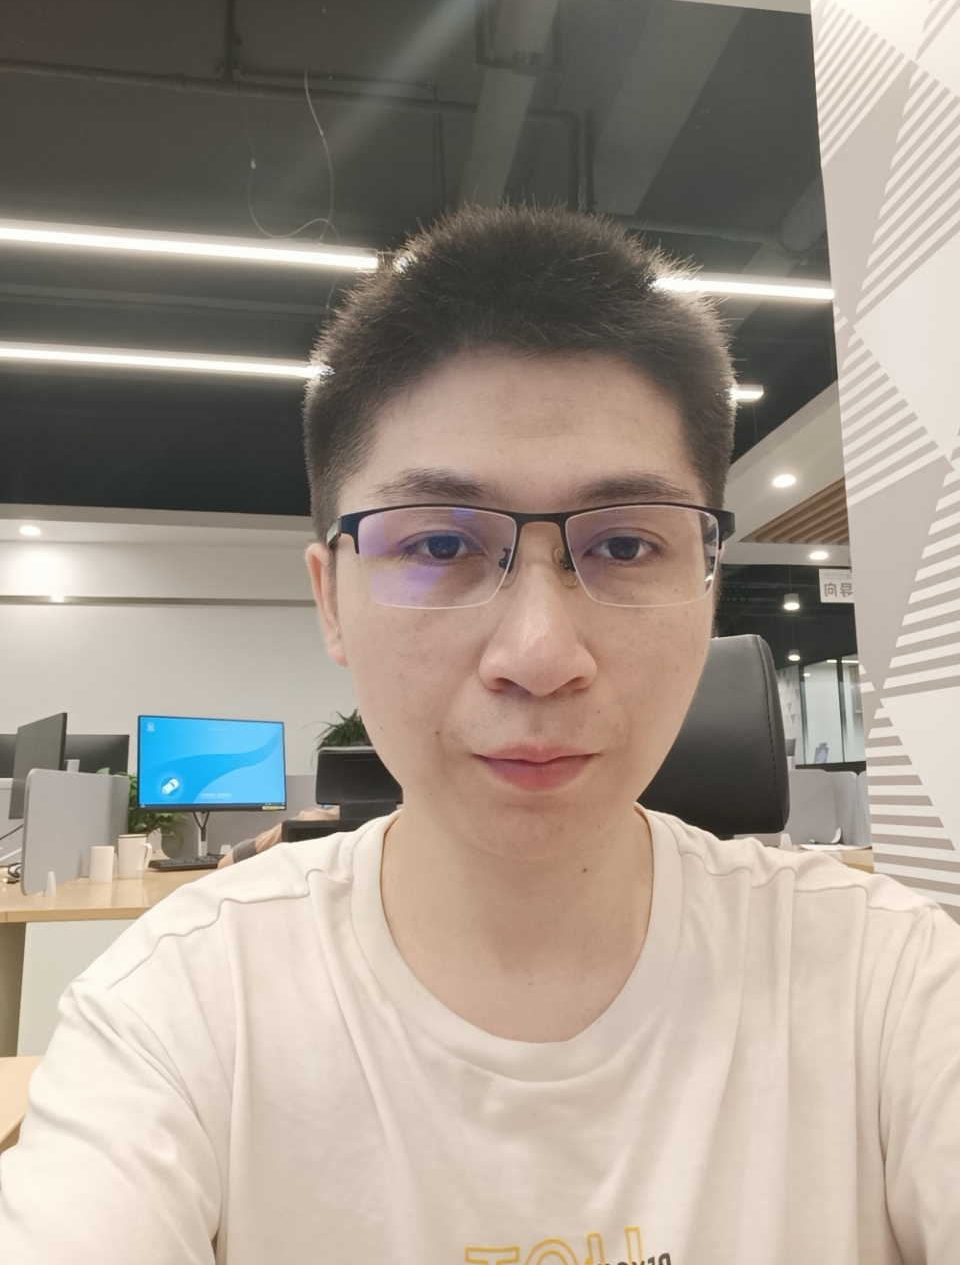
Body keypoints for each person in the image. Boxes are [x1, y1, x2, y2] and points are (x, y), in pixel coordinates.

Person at [2, 206, 958, 1264]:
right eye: (440, 544)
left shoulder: (891, 979)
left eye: (626, 544)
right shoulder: (180, 1007)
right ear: (331, 599)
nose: (539, 654)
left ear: (707, 585)